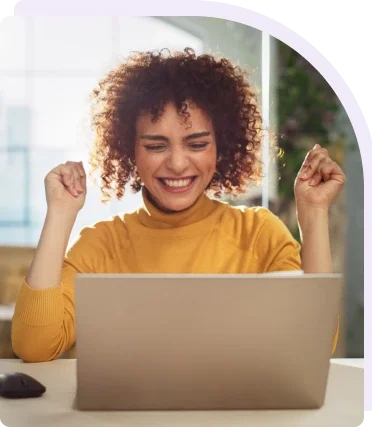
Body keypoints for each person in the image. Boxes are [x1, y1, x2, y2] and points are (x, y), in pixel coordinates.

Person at [11, 48, 346, 363]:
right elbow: (35, 347)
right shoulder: (102, 244)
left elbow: (313, 343)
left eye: (196, 144)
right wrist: (60, 214)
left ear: (221, 147)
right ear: (131, 150)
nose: (177, 163)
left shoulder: (258, 233)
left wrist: (313, 215)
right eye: (156, 146)